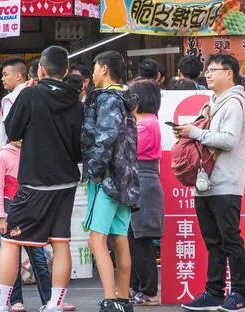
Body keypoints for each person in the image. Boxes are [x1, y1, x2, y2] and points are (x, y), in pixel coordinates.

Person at [0, 46, 84, 312]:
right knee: (61, 242)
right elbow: (80, 147)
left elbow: (13, 130)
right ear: (65, 72)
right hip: (66, 181)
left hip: (34, 182)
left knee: (11, 241)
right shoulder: (75, 101)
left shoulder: (30, 95)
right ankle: (54, 304)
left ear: (41, 69)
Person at [176, 55, 245, 312]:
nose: (207, 75)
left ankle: (240, 294)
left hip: (226, 182)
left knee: (230, 239)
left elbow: (228, 140)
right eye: (207, 71)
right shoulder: (213, 103)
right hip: (205, 181)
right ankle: (214, 291)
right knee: (213, 241)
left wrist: (194, 132)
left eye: (213, 70)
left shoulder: (234, 104)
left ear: (229, 74)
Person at [82, 51, 139, 312]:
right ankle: (124, 299)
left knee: (97, 240)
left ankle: (109, 299)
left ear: (104, 69)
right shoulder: (127, 100)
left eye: (95, 68)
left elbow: (105, 136)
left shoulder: (107, 100)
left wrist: (93, 168)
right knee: (119, 239)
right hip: (127, 179)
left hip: (106, 179)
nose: (92, 73)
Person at [0, 137, 51, 312]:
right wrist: (0, 215)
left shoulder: (33, 154)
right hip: (9, 217)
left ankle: (49, 300)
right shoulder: (3, 156)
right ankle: (16, 301)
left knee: (39, 259)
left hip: (31, 218)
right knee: (11, 262)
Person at [126, 81, 162, 307]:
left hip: (143, 181)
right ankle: (139, 287)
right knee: (134, 238)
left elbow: (129, 149)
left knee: (140, 239)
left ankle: (148, 290)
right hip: (141, 181)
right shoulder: (146, 122)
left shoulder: (146, 125)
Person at [0, 60, 28, 150]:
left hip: (11, 153)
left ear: (18, 76)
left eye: (5, 74)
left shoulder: (9, 99)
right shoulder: (36, 94)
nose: (2, 79)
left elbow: (7, 133)